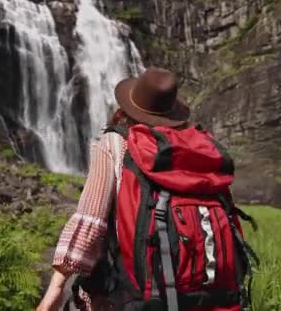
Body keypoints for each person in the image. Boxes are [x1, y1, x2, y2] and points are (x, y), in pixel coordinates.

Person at [37, 67, 256, 311]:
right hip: (211, 297)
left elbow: (91, 220)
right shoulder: (197, 151)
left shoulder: (115, 143)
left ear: (127, 107)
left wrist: (56, 286)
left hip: (141, 295)